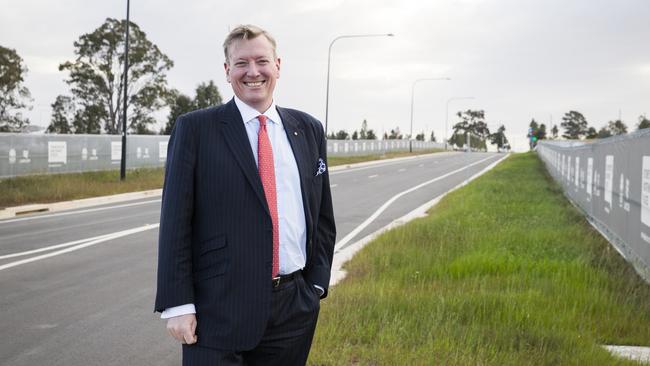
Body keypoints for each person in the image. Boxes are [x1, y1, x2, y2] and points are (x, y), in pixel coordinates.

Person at [154, 24, 336, 366]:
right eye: (241, 63)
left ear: (277, 65)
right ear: (227, 71)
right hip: (217, 310)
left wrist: (315, 286)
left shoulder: (308, 130)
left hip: (293, 307)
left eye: (261, 61)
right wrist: (178, 304)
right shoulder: (196, 129)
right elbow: (175, 221)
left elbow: (322, 216)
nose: (253, 72)